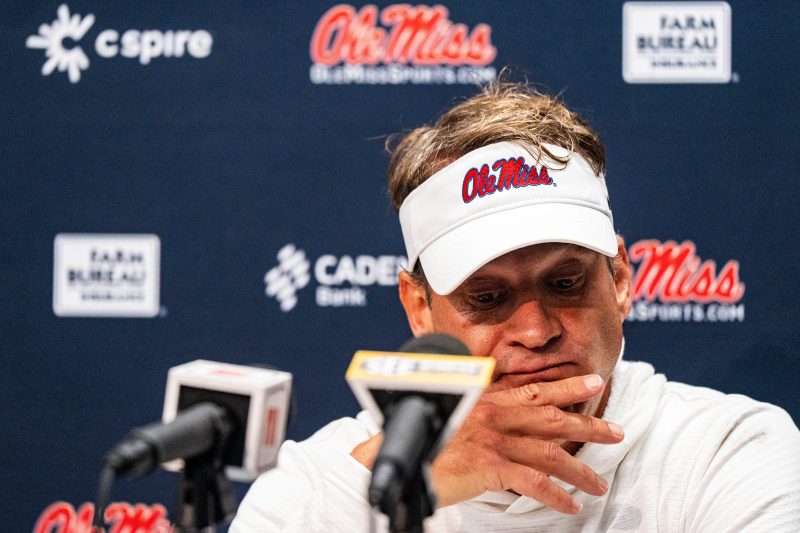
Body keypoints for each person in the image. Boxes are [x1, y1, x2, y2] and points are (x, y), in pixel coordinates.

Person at [231, 82, 800, 532]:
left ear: (620, 278)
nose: (535, 330)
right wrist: (394, 484)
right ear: (419, 308)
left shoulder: (728, 451)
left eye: (566, 283)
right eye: (486, 297)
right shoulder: (314, 485)